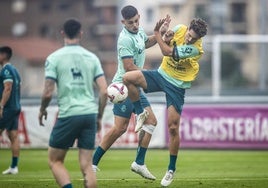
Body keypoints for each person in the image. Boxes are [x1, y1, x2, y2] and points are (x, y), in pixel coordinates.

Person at [123, 17, 208, 186]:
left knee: (173, 128)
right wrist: (165, 35)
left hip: (177, 86)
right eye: (189, 35)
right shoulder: (180, 28)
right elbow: (168, 39)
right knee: (127, 78)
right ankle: (141, 113)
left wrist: (157, 34)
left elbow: (167, 52)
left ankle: (171, 169)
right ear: (188, 28)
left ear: (198, 39)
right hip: (162, 75)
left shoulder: (196, 49)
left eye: (194, 38)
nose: (189, 39)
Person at [92, 5, 168, 180]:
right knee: (121, 128)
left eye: (136, 21)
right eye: (130, 23)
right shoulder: (124, 39)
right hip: (124, 87)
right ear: (122, 22)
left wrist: (160, 35)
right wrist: (148, 77)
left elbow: (146, 42)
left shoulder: (138, 31)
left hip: (134, 85)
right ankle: (94, 164)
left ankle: (138, 163)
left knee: (145, 123)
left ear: (139, 17)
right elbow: (128, 68)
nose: (134, 25)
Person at [38, 18, 107, 188]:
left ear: (62, 33)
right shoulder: (92, 58)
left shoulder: (54, 58)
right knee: (86, 165)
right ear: (81, 33)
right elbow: (104, 91)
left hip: (69, 114)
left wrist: (42, 109)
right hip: (89, 115)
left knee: (55, 160)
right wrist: (98, 117)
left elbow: (47, 92)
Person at [0, 46, 21, 175]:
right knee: (13, 136)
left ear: (3, 55)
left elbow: (8, 88)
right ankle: (14, 167)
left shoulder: (6, 70)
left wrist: (1, 105)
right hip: (16, 106)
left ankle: (14, 167)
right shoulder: (15, 70)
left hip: (8, 107)